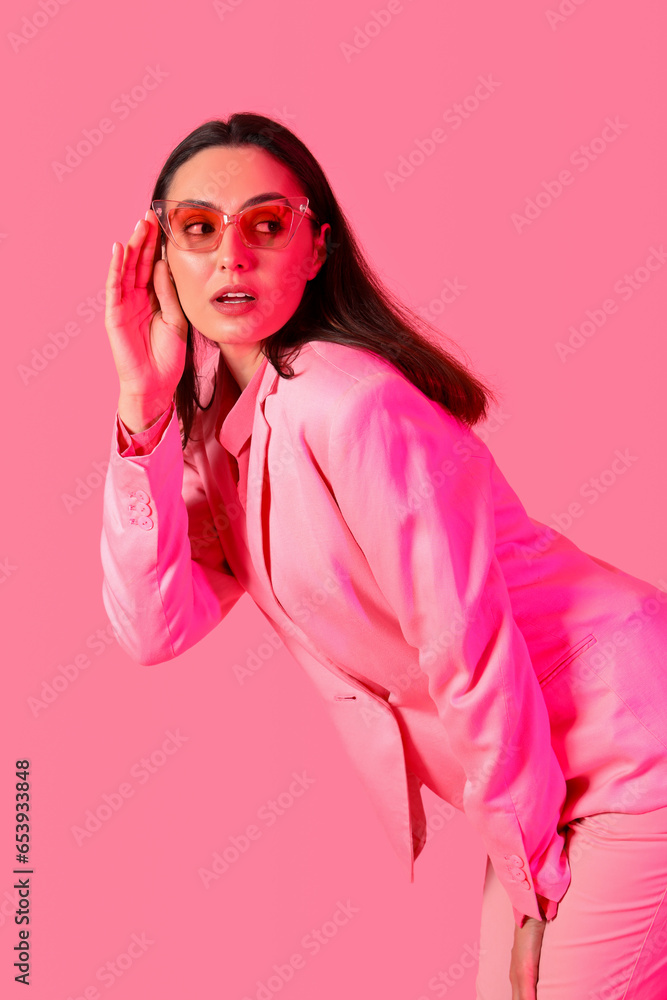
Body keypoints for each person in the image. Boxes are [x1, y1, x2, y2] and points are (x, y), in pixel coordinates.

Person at [101, 113, 667, 999]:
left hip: (635, 746)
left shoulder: (350, 404)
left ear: (317, 247)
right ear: (162, 256)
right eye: (199, 229)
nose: (231, 258)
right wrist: (143, 402)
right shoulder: (226, 435)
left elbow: (467, 647)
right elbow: (154, 626)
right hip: (544, 774)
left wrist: (531, 888)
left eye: (265, 224)